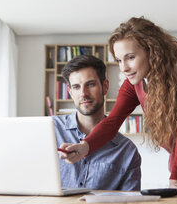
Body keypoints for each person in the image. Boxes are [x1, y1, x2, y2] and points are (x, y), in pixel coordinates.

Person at [58, 17, 177, 204]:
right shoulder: (134, 84)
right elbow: (113, 121)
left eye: (130, 57)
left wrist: (176, 178)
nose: (124, 68)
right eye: (119, 60)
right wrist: (84, 146)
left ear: (151, 50)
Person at [54, 54, 141, 191]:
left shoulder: (127, 151)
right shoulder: (50, 131)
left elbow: (130, 201)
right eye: (76, 87)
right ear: (70, 92)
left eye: (90, 84)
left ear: (105, 86)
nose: (83, 93)